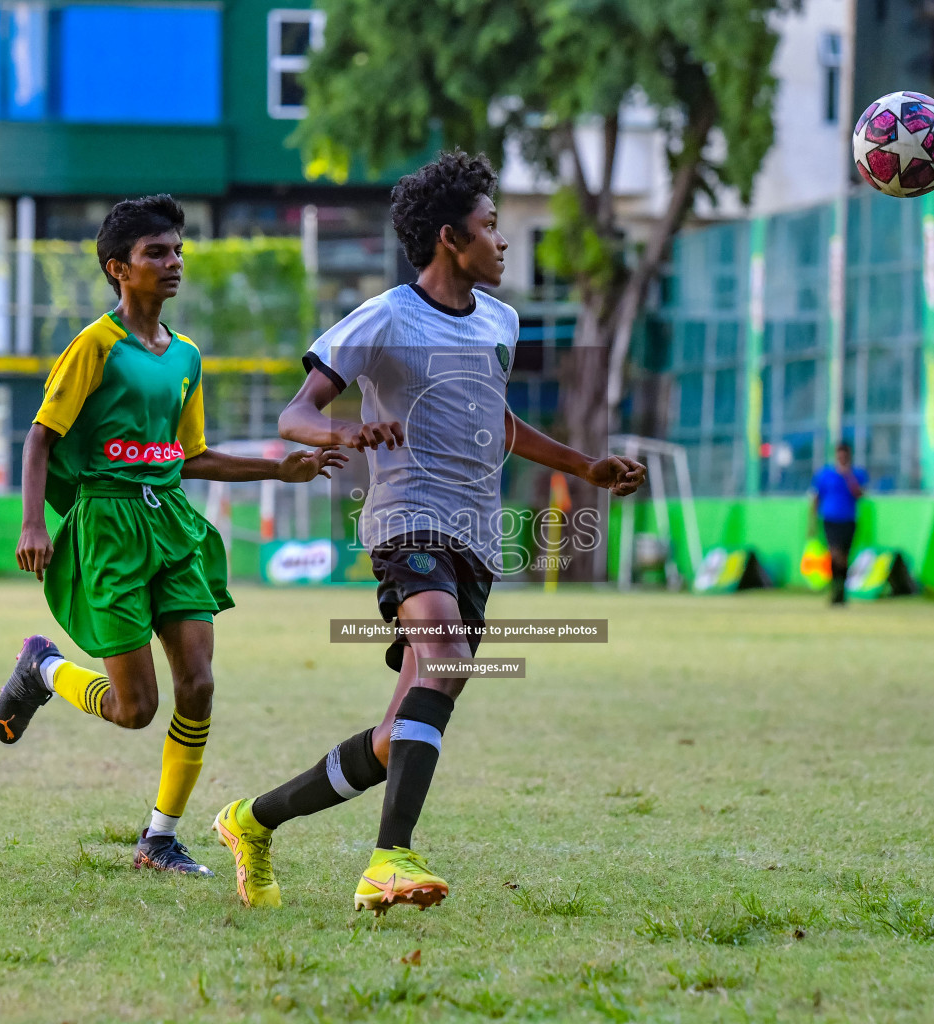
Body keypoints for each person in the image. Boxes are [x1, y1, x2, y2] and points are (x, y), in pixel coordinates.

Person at [211, 151, 647, 915]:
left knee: (395, 737)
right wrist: (346, 431)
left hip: (476, 538)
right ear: (451, 238)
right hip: (406, 520)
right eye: (490, 226)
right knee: (444, 654)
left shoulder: (502, 322)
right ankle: (389, 860)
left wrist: (585, 466)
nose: (503, 241)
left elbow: (496, 418)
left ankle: (251, 821)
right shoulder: (385, 316)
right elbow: (295, 414)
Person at [0, 195, 345, 876]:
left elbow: (195, 456)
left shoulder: (186, 356)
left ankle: (159, 839)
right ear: (120, 268)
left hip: (173, 522)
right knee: (134, 709)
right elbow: (39, 438)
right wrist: (35, 522)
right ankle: (41, 670)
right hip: (108, 527)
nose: (174, 262)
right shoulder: (95, 345)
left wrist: (281, 467)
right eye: (158, 252)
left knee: (200, 685)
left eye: (178, 250)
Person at [809, 442, 867, 605]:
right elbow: (816, 497)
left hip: (848, 520)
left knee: (844, 558)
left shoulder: (856, 474)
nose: (842, 457)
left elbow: (860, 494)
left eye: (845, 455)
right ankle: (835, 588)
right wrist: (812, 522)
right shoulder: (825, 474)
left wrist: (848, 477)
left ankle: (841, 591)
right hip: (830, 519)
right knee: (835, 554)